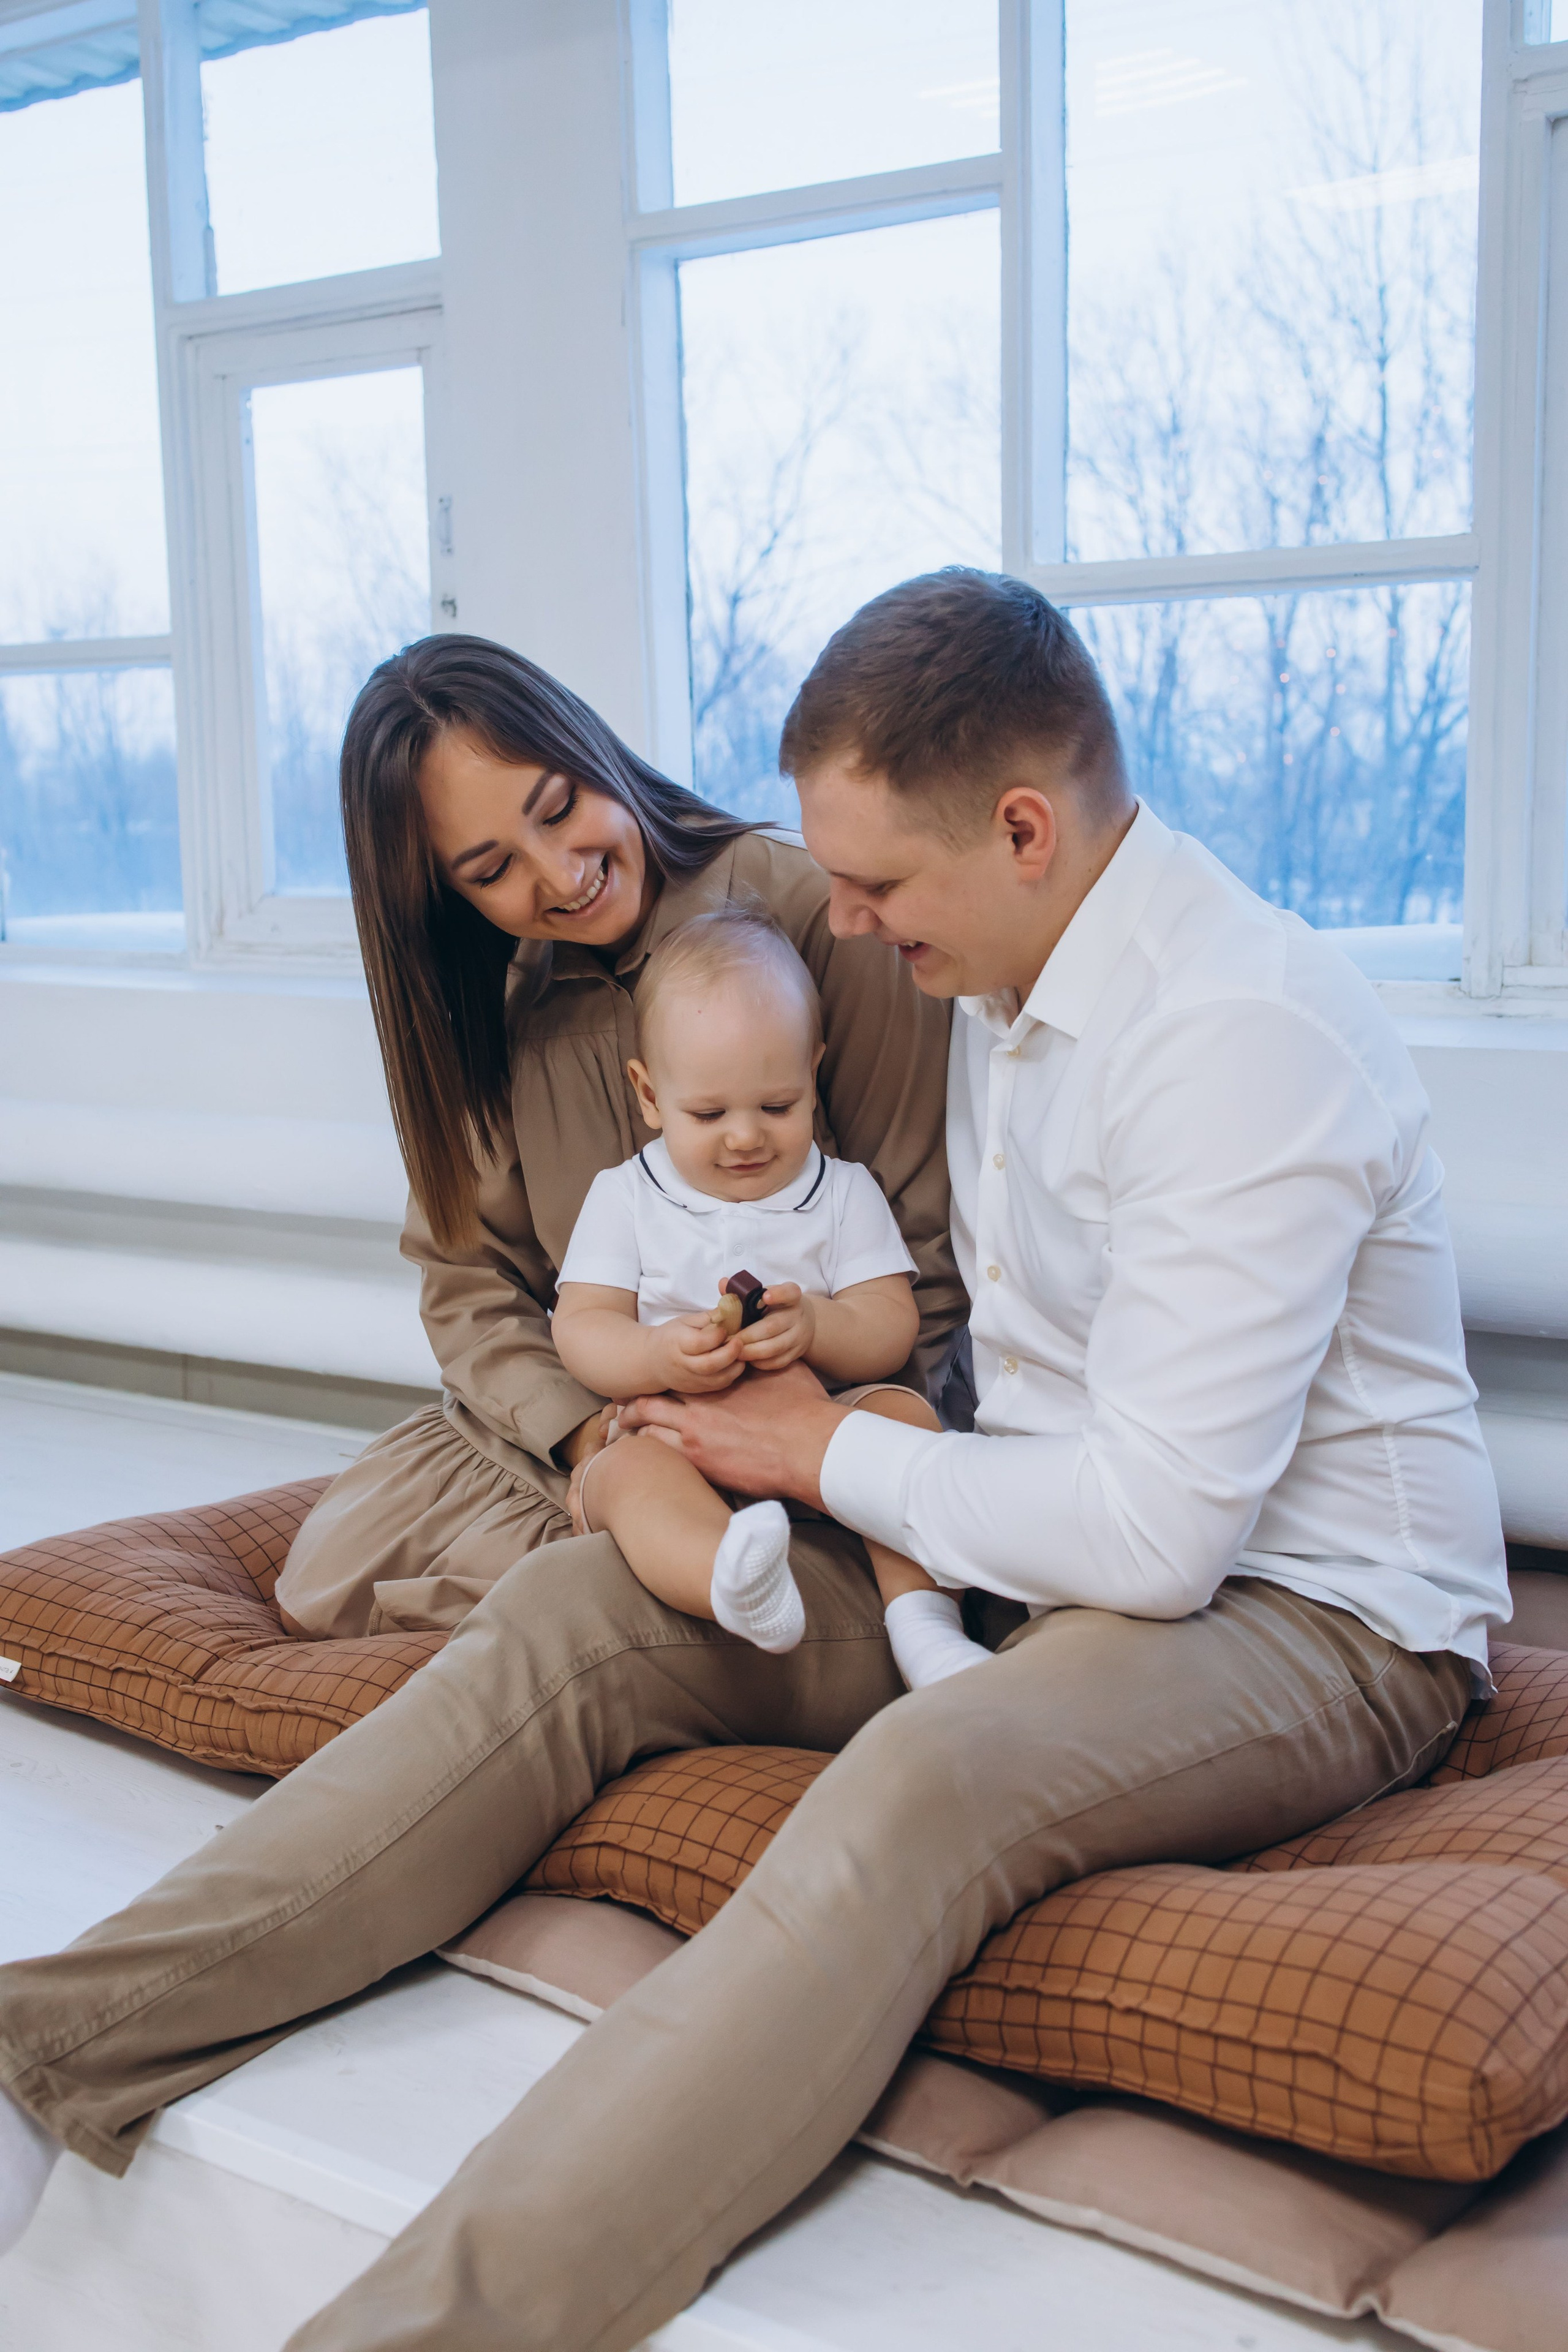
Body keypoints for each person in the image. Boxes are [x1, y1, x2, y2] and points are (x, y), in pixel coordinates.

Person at [0, 573, 1507, 2352]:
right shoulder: (1010, 977)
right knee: (575, 1610)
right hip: (1015, 1547)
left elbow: (1159, 1533)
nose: (845, 924)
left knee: (918, 1782)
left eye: (871, 884)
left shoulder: (1239, 1033)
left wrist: (814, 1445)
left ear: (1022, 828)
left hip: (1307, 1612)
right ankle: (51, 2037)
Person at [262, 633, 962, 1642]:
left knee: (611, 1615)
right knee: (331, 1577)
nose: (562, 874)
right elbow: (469, 1289)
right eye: (493, 867)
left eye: (559, 808)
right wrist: (593, 1428)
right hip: (619, 1425)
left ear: (593, 753)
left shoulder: (816, 919)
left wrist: (796, 1423)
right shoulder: (500, 1002)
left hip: (825, 1418)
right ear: (447, 899)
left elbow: (924, 1259)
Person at [553, 905, 990, 1686]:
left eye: (778, 1107)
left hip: (824, 1442)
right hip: (677, 1443)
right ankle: (729, 1579)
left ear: (813, 1073)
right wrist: (656, 1352)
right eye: (709, 1113)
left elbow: (891, 1324)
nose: (746, 1137)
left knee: (905, 1418)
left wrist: (817, 1325)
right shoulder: (624, 1197)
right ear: (649, 1095)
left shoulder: (843, 1193)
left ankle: (925, 1628)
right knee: (624, 1477)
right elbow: (582, 1328)